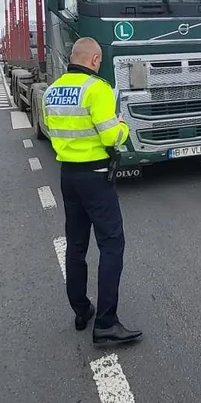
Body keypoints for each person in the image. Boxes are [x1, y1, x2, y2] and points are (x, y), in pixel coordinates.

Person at [42, 37, 142, 346]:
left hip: (68, 175)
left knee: (76, 245)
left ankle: (82, 310)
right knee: (112, 244)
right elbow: (112, 136)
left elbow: (51, 128)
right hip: (96, 177)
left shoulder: (51, 90)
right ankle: (106, 323)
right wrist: (122, 125)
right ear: (95, 60)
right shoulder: (96, 89)